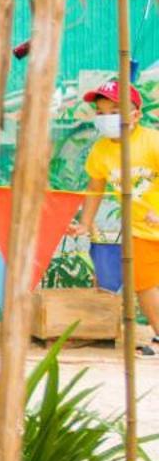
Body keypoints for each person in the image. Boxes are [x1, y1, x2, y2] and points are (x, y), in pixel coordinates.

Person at [68, 78, 159, 357]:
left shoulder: (152, 141)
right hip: (140, 231)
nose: (107, 118)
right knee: (145, 285)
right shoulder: (101, 151)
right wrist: (85, 223)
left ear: (135, 115)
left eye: (114, 112)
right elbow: (95, 188)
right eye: (101, 113)